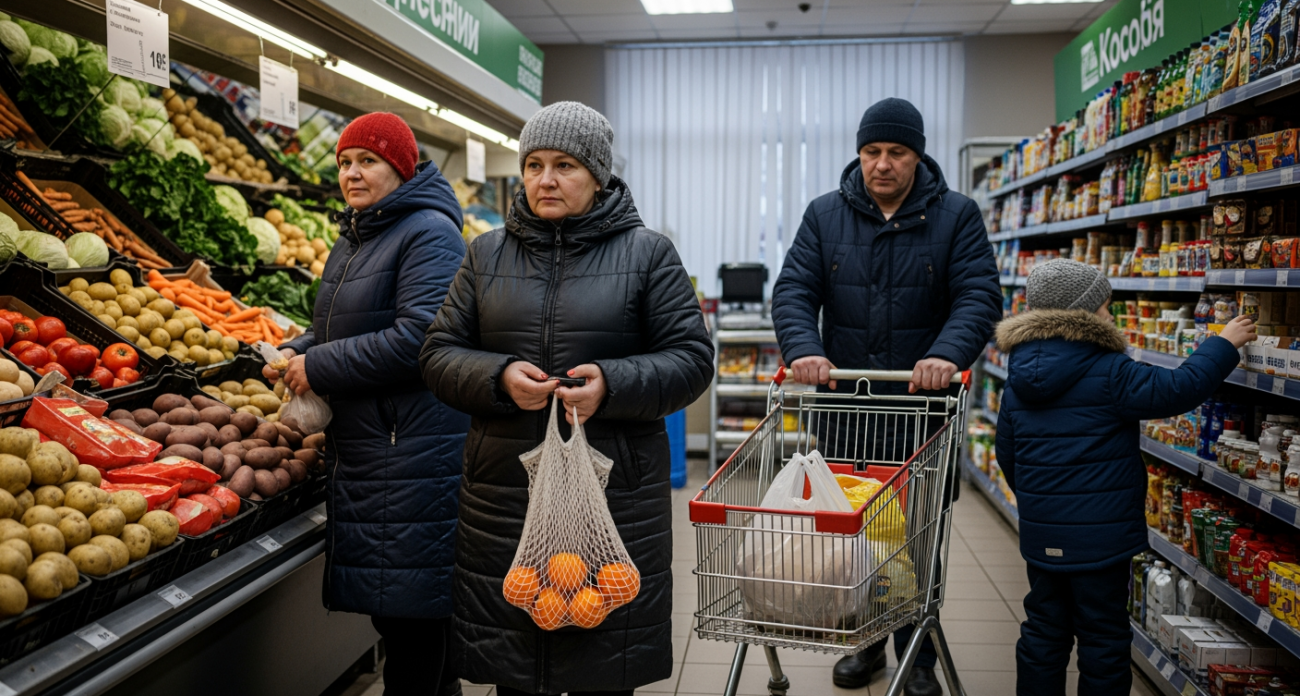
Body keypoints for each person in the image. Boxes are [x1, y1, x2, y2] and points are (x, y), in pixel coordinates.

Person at [420, 101, 714, 696]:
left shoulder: (648, 254)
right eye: (534, 165)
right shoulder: (485, 254)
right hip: (505, 495)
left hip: (615, 495)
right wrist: (499, 376)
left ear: (598, 176)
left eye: (565, 165)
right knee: (515, 666)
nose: (546, 180)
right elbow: (437, 354)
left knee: (603, 663)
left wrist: (612, 384)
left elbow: (691, 359)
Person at [771, 96, 1001, 695]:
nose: (882, 163)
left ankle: (916, 656)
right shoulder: (825, 215)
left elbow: (978, 296)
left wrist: (947, 354)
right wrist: (804, 348)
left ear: (917, 155)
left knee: (918, 539)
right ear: (859, 154)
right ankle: (866, 641)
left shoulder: (957, 216)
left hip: (923, 415)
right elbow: (793, 290)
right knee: (854, 537)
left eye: (896, 152)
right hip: (847, 415)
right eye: (871, 151)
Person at [263, 112, 470, 696]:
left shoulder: (429, 233)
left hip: (412, 450)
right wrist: (299, 347)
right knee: (409, 615)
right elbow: (343, 324)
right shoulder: (359, 233)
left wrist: (319, 366)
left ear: (400, 167)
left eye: (368, 161)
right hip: (377, 447)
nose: (352, 173)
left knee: (413, 619)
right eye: (344, 162)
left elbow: (420, 339)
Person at [995, 259, 1255, 696]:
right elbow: (1180, 388)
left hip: (1043, 536)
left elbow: (1007, 453)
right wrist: (1222, 344)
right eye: (1104, 306)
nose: (1109, 314)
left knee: (1042, 630)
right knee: (1103, 638)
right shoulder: (1112, 371)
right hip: (1102, 540)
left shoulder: (1018, 375)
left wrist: (1042, 503)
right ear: (1083, 312)